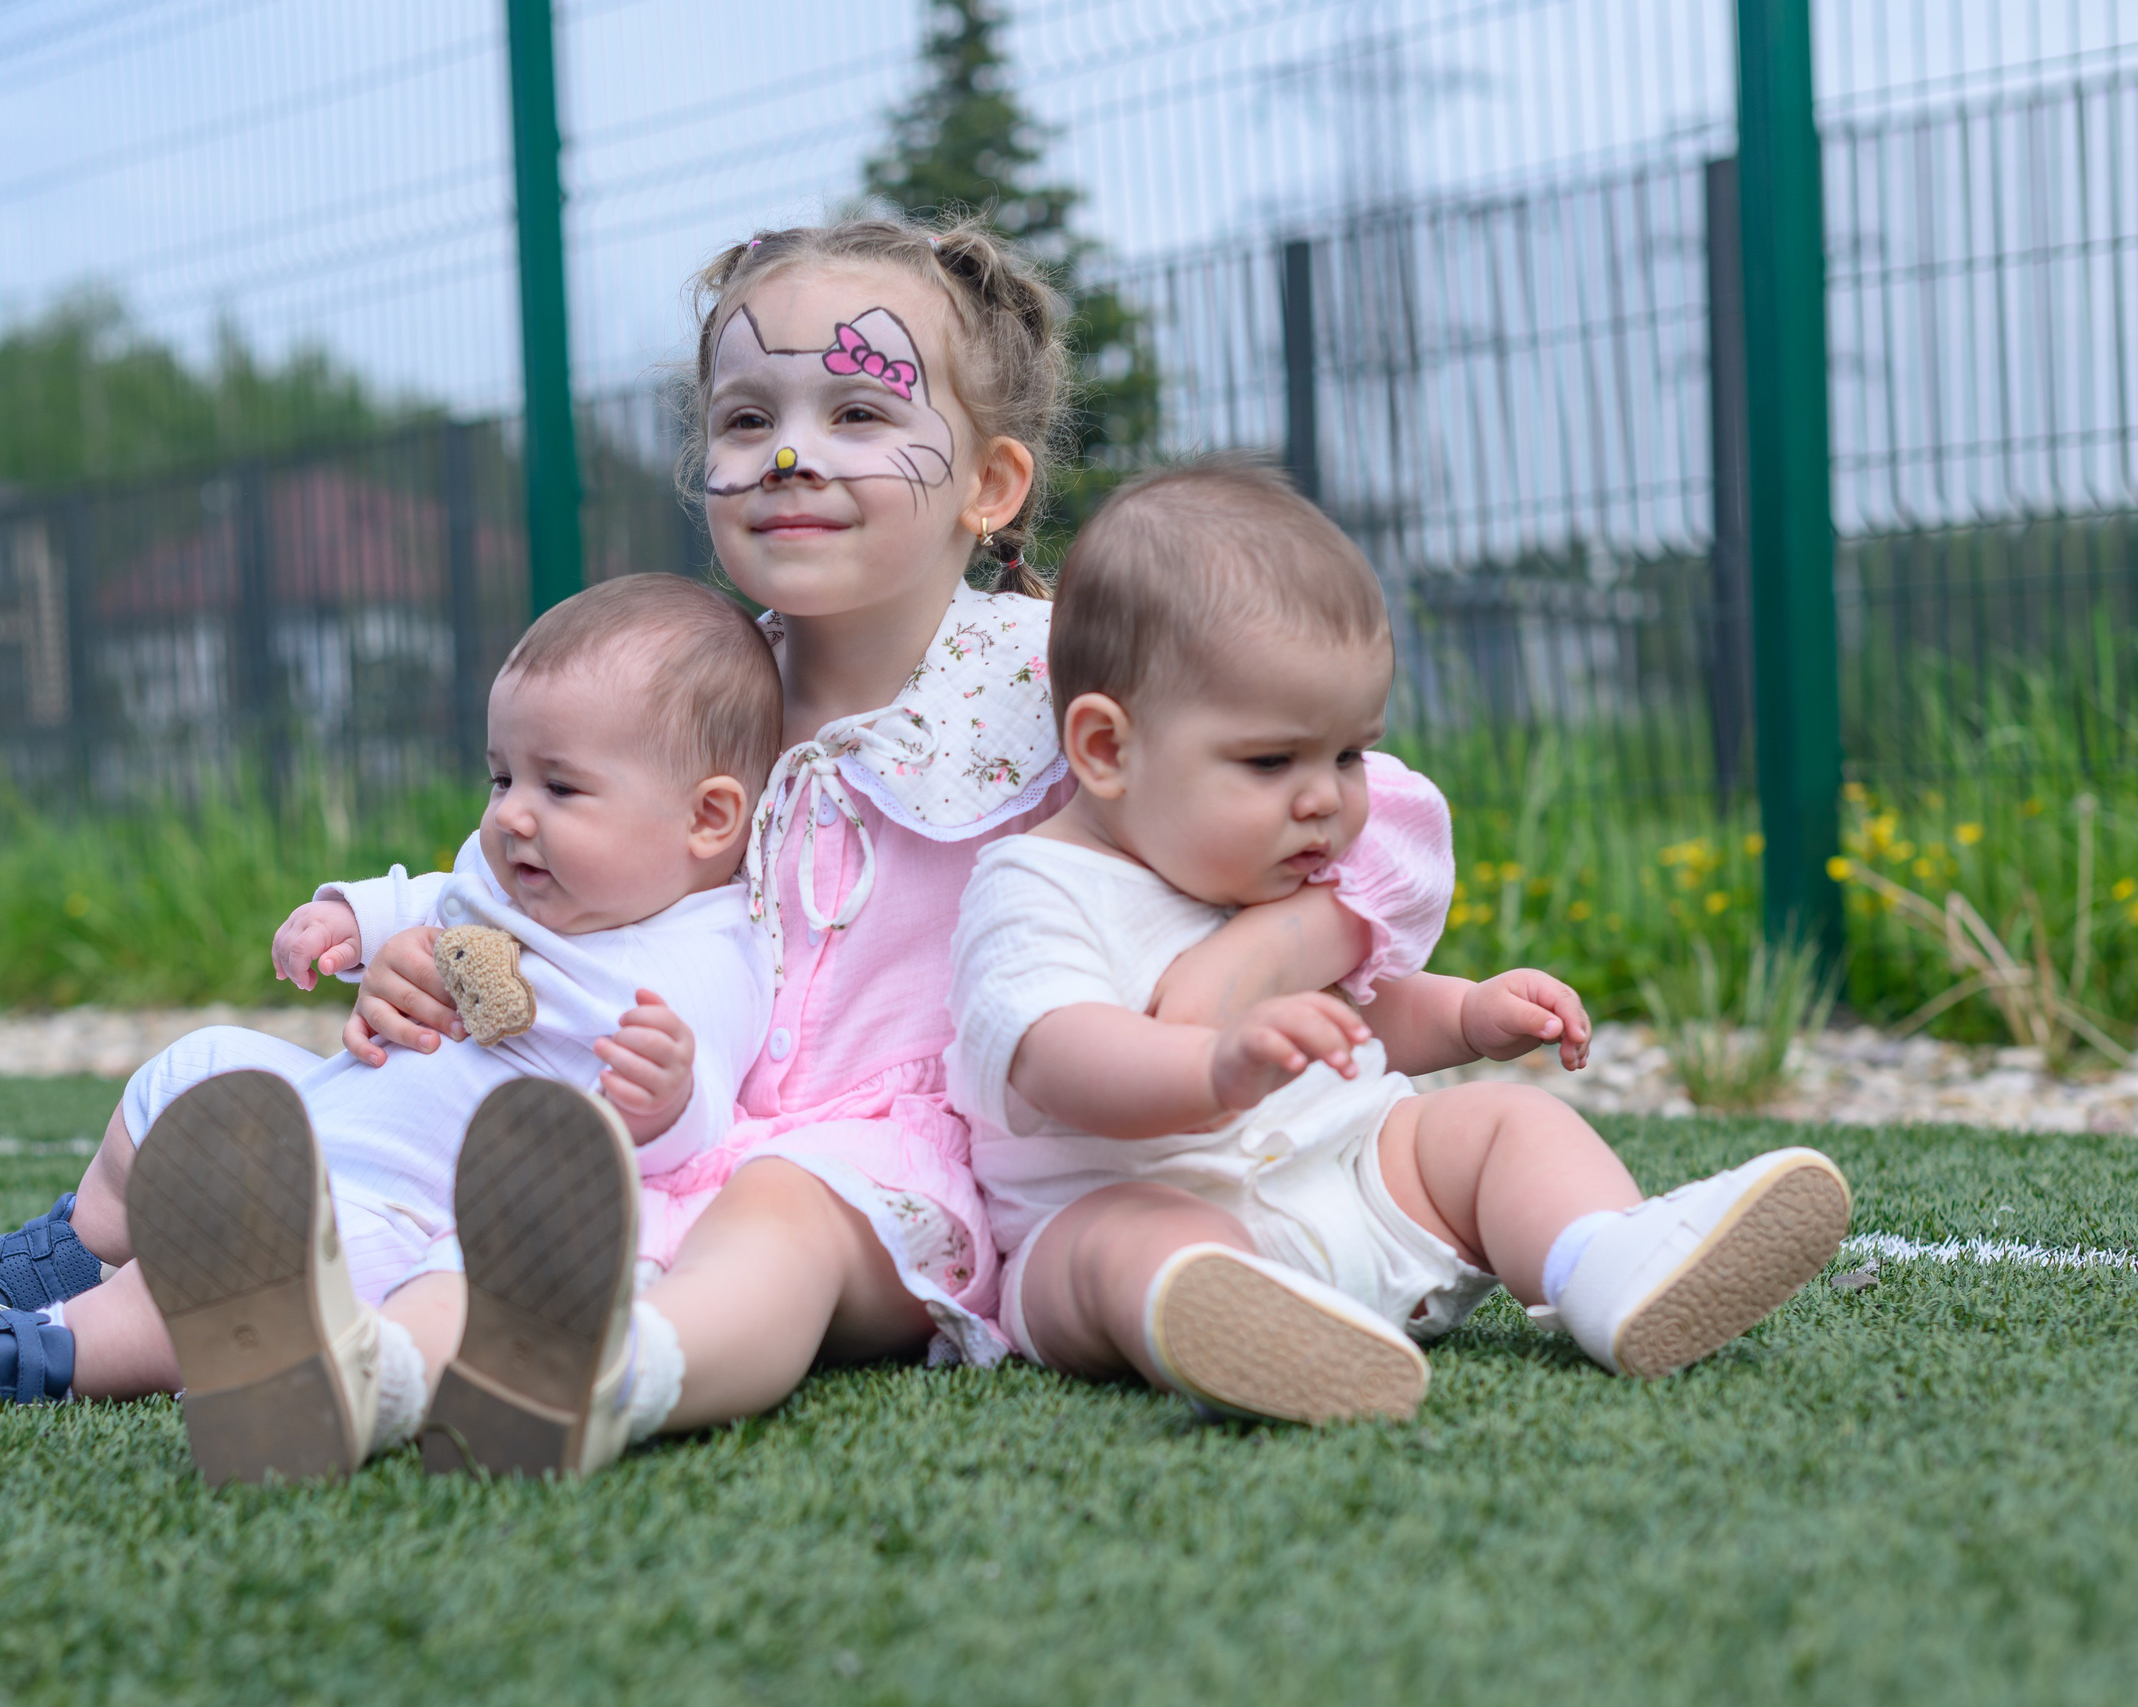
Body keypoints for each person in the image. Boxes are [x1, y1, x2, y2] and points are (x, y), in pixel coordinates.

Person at [341, 217, 1460, 1480]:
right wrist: (438, 955)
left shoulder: (1048, 677)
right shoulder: (685, 695)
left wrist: (1278, 944)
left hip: (916, 1164)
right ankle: (366, 1378)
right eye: (746, 420)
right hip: (678, 1123)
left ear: (990, 486)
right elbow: (537, 867)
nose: (789, 455)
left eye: (859, 415)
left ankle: (614, 1382)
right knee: (505, 1221)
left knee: (782, 1217)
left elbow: (1388, 812)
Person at [946, 458, 1852, 1425]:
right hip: (1155, 1206)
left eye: (1348, 753)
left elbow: (1358, 1017)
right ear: (1106, 749)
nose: (1325, 798)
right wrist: (1213, 1066)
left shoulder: (1273, 870)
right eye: (1271, 760)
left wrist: (1466, 1014)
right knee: (1108, 1249)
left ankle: (1607, 1263)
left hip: (1356, 1188)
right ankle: (1251, 1333)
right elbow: (1058, 1058)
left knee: (1504, 1125)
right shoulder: (1033, 887)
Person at [0, 574, 778, 1484]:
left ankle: (44, 1350)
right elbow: (438, 895)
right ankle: (77, 1247)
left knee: (234, 1271)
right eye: (502, 776)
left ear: (707, 818)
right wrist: (352, 918)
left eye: (561, 785)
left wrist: (666, 1096)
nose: (511, 812)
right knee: (195, 1065)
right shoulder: (513, 870)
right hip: (320, 1106)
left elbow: (696, 1126)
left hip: (397, 1206)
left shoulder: (699, 957)